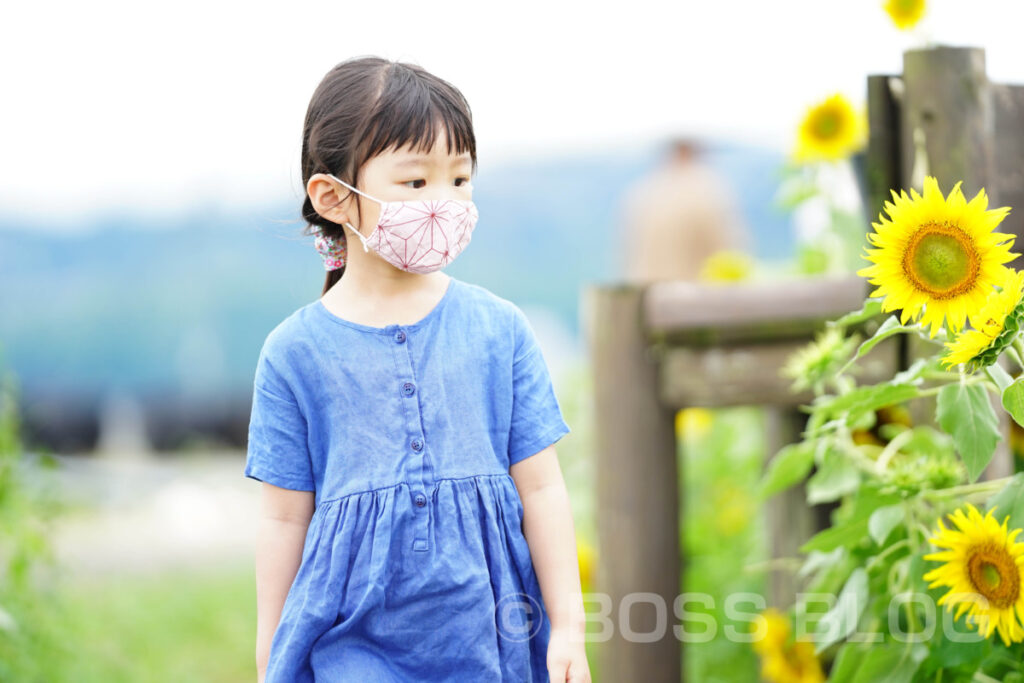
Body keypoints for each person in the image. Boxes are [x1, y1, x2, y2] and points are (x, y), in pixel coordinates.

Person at [245, 56, 591, 683]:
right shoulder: (292, 354)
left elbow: (542, 488)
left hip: (489, 632)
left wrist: (568, 629)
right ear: (334, 197)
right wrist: (271, 653)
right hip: (351, 641)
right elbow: (282, 517)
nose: (446, 202)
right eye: (415, 183)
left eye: (460, 180)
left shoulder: (500, 330)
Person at [618, 137, 752, 283]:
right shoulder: (708, 192)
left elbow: (626, 254)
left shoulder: (642, 193)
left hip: (646, 295)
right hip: (692, 296)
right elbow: (729, 253)